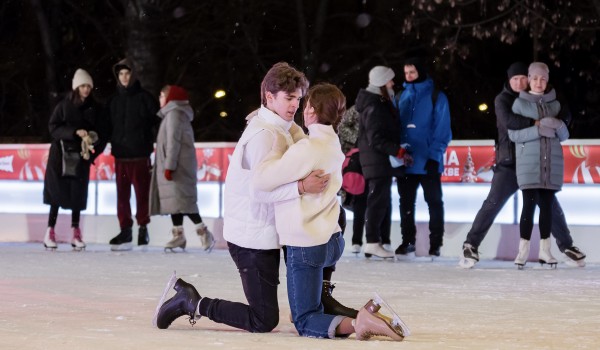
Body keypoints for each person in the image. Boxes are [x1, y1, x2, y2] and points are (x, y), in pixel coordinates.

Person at [153, 62, 351, 333]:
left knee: (332, 223)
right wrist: (302, 187)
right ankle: (192, 302)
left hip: (274, 232)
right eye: (288, 98)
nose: (295, 105)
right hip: (252, 238)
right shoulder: (263, 136)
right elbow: (258, 192)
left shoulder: (286, 128)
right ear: (269, 97)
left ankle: (319, 298)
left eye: (298, 98)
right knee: (263, 320)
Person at [252, 83, 405, 340]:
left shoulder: (307, 149)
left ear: (311, 110)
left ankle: (360, 323)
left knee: (305, 319)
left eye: (305, 104)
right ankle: (356, 315)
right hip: (331, 241)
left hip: (306, 246)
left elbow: (262, 180)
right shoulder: (331, 142)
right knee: (309, 305)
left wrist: (277, 146)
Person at [460, 62, 586, 268]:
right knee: (493, 203)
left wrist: (560, 121)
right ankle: (470, 244)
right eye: (514, 79)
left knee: (550, 206)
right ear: (508, 81)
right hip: (509, 163)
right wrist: (538, 123)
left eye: (522, 78)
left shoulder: (538, 99)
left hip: (534, 163)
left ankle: (567, 246)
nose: (519, 82)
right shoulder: (503, 100)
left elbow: (562, 109)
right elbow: (510, 122)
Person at [508, 62, 569, 269]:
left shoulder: (556, 105)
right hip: (529, 163)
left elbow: (564, 136)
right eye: (535, 78)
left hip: (550, 164)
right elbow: (513, 134)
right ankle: (522, 252)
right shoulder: (520, 104)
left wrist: (558, 125)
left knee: (547, 209)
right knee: (528, 206)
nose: (539, 82)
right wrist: (538, 130)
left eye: (543, 78)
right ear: (529, 79)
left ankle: (545, 251)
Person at [43, 68, 107, 251]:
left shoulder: (95, 108)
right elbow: (53, 128)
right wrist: (73, 132)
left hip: (81, 157)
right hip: (60, 156)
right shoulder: (63, 106)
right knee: (56, 194)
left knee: (77, 195)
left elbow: (101, 133)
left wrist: (92, 148)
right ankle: (50, 230)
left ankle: (75, 231)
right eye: (83, 86)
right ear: (76, 87)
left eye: (88, 86)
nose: (86, 89)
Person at [393, 58, 452, 258]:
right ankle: (407, 241)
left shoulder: (436, 96)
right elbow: (395, 127)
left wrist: (435, 155)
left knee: (434, 202)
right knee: (406, 203)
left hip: (428, 161)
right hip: (406, 161)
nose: (408, 76)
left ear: (421, 72)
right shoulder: (400, 96)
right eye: (406, 72)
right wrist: (397, 152)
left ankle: (435, 244)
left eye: (412, 72)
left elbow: (442, 129)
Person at [149, 85, 215, 252]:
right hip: (177, 166)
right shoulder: (173, 114)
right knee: (175, 202)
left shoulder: (174, 114)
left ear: (169, 98)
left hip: (177, 168)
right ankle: (178, 235)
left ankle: (204, 233)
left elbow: (173, 142)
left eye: (162, 95)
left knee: (184, 202)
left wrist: (169, 166)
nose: (160, 99)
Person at [106, 58, 160, 251]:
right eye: (121, 74)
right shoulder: (113, 100)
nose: (124, 77)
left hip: (140, 155)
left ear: (133, 75)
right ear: (117, 77)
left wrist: (151, 140)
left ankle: (143, 228)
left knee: (141, 195)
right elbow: (106, 126)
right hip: (120, 156)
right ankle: (125, 229)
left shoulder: (145, 98)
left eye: (127, 73)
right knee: (122, 196)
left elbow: (158, 122)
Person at [356, 66, 409, 259]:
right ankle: (371, 242)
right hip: (377, 160)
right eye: (389, 81)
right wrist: (397, 150)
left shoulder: (377, 102)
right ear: (381, 83)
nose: (392, 84)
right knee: (377, 201)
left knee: (379, 201)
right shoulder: (374, 105)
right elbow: (376, 138)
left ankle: (374, 241)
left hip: (377, 160)